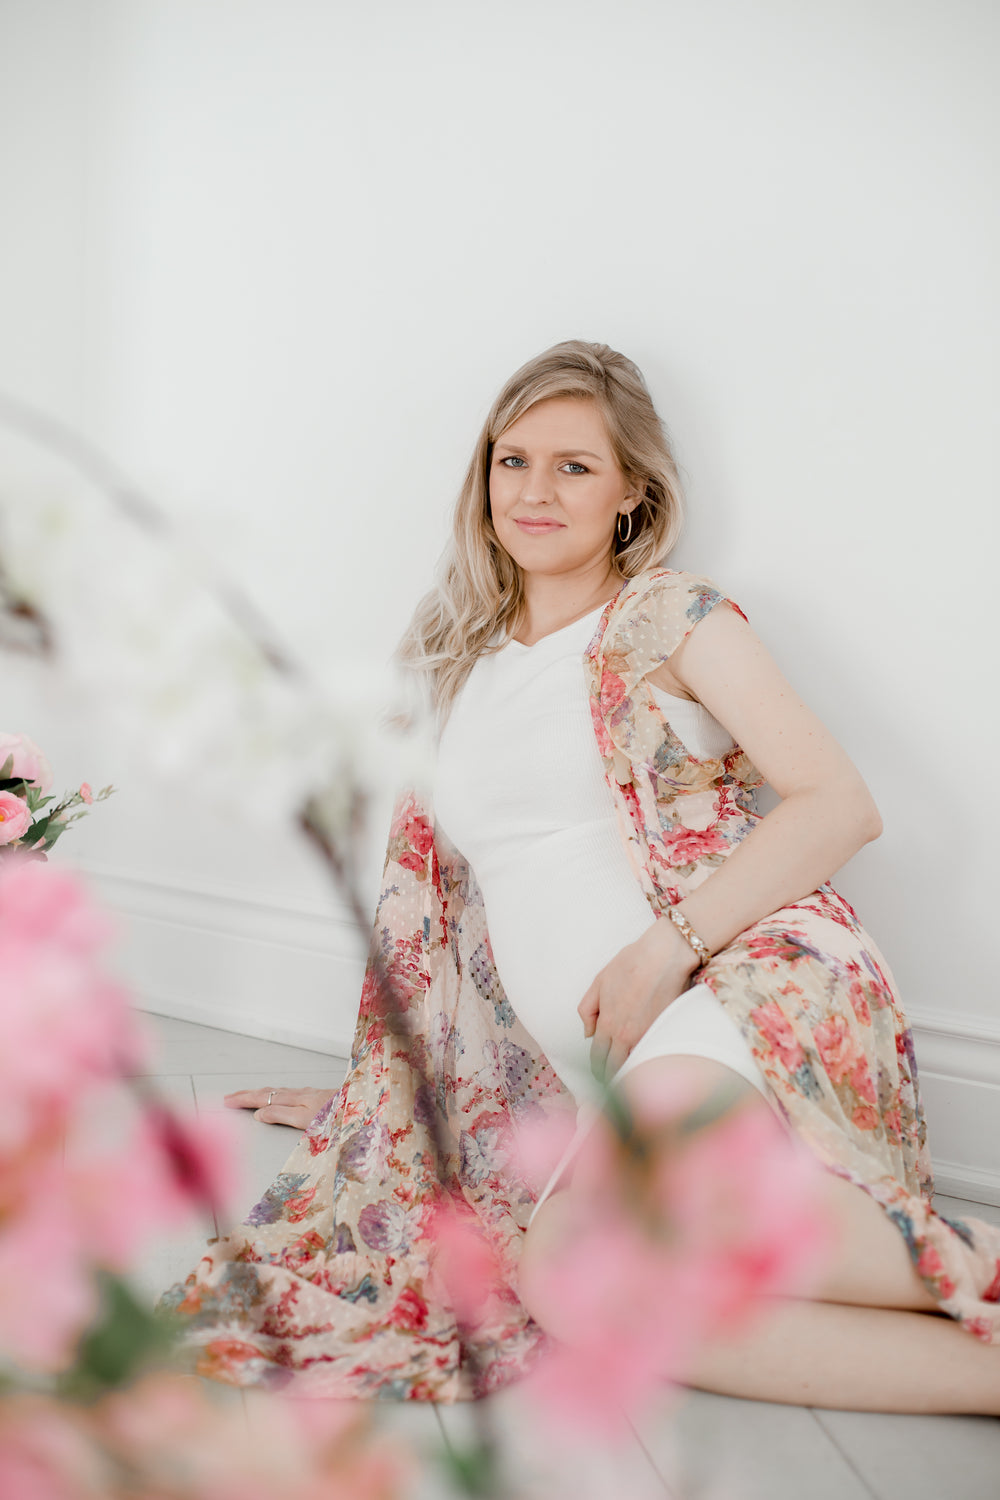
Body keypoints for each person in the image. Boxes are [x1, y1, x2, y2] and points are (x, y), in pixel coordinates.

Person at [167, 340, 1000, 1413]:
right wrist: (383, 1103)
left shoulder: (666, 617)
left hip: (732, 989)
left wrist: (664, 954)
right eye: (511, 461)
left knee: (652, 1221)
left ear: (629, 496)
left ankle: (970, 1257)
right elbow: (452, 928)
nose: (534, 491)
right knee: (570, 1275)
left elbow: (839, 804)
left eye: (573, 466)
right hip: (614, 1063)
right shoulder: (458, 656)